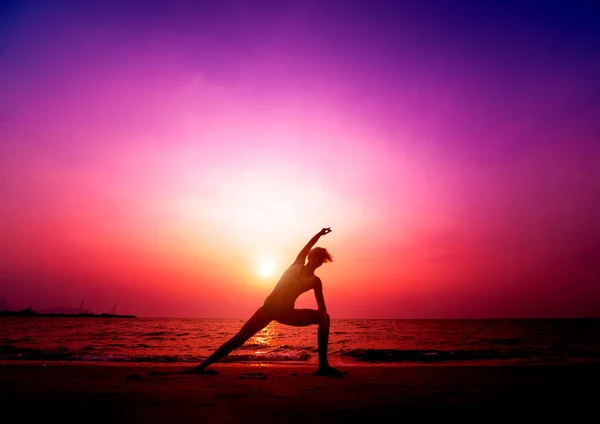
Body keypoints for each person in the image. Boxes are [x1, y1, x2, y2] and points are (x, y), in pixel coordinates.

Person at [187, 227, 343, 377]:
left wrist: (323, 317)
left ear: (321, 263)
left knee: (325, 317)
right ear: (310, 257)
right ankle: (201, 366)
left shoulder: (315, 281)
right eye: (316, 257)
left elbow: (321, 306)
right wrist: (320, 234)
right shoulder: (297, 264)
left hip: (287, 313)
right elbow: (308, 245)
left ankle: (323, 366)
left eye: (321, 260)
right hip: (268, 309)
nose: (318, 261)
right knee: (239, 338)